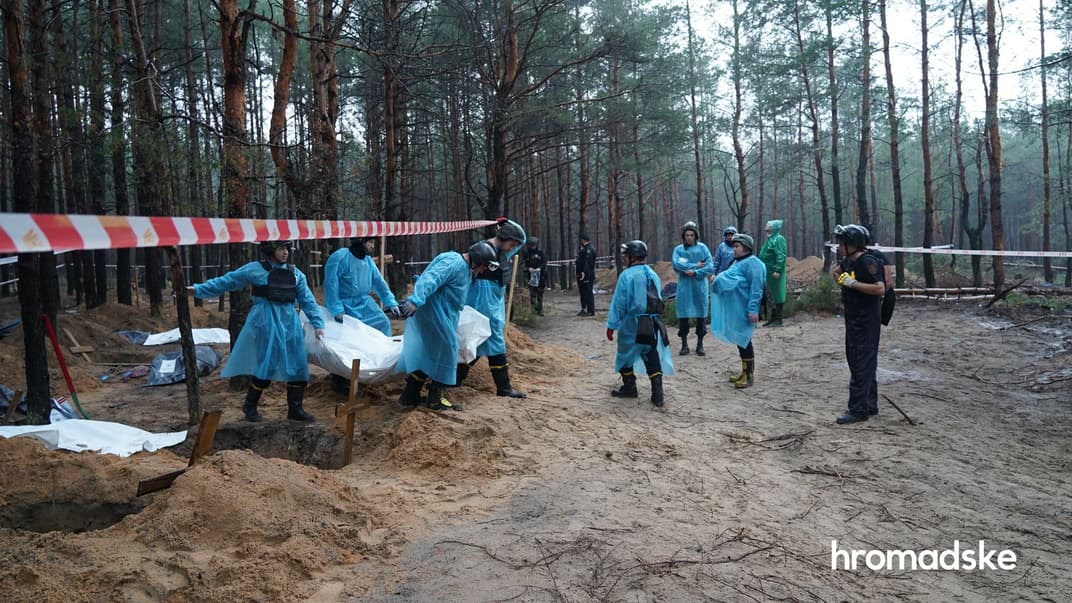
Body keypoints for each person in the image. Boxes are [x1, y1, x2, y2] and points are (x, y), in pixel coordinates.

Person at [192, 240, 325, 422]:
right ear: (270, 249)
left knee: (298, 364)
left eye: (287, 248)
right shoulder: (255, 269)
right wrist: (197, 290)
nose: (285, 252)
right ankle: (250, 407)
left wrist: (318, 324)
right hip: (265, 321)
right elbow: (228, 281)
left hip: (290, 322)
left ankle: (295, 409)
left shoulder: (296, 274)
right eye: (281, 248)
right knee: (267, 365)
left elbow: (307, 299)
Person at [396, 241, 499, 411]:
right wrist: (416, 300)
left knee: (430, 353)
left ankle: (409, 395)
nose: (483, 271)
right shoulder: (454, 262)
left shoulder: (465, 268)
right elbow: (431, 278)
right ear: (477, 260)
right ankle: (435, 399)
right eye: (483, 266)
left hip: (444, 314)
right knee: (448, 352)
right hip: (435, 313)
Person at [455, 219, 528, 398]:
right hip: (481, 302)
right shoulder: (482, 250)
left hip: (494, 301)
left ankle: (457, 381)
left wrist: (508, 222)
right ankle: (503, 388)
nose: (513, 248)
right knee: (484, 343)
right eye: (511, 244)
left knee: (478, 344)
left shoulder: (504, 251)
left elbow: (523, 238)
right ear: (504, 239)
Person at [606, 240, 674, 407]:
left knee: (624, 354)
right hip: (651, 322)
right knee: (651, 353)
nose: (624, 257)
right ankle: (657, 393)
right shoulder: (652, 274)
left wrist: (612, 325)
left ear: (633, 256)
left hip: (632, 322)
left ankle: (630, 387)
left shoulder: (627, 276)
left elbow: (619, 303)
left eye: (626, 254)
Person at [830, 224, 886, 425]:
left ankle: (858, 410)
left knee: (861, 362)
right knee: (858, 360)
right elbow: (836, 272)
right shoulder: (849, 261)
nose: (838, 247)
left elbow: (880, 289)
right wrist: (842, 279)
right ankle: (869, 404)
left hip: (866, 320)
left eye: (841, 243)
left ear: (852, 244)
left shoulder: (868, 261)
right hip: (854, 319)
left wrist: (853, 284)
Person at [710, 233, 766, 389]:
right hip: (737, 307)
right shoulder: (738, 262)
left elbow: (756, 289)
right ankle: (744, 372)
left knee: (744, 340)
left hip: (745, 308)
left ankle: (749, 376)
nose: (733, 249)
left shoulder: (753, 263)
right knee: (741, 341)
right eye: (733, 246)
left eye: (737, 246)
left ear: (746, 247)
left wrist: (753, 310)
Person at [323, 237, 401, 336]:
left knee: (383, 323)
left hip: (365, 303)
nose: (373, 246)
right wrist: (337, 308)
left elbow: (379, 282)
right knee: (351, 335)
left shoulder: (368, 261)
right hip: (344, 305)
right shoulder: (340, 257)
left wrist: (390, 302)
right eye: (370, 242)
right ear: (360, 241)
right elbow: (331, 285)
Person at [672, 221, 713, 356]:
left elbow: (709, 266)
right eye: (687, 235)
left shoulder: (703, 249)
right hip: (684, 286)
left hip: (699, 286)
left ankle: (700, 345)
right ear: (683, 236)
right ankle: (684, 345)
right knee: (683, 315)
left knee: (701, 314)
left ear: (696, 236)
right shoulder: (679, 250)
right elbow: (677, 264)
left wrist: (695, 272)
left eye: (692, 235)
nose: (689, 237)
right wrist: (695, 265)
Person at [759, 219, 788, 327]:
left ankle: (778, 319)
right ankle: (772, 318)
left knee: (778, 294)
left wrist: (777, 270)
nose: (766, 226)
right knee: (771, 295)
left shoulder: (779, 239)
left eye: (768, 224)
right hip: (769, 272)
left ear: (774, 227)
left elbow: (781, 255)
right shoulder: (770, 239)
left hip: (775, 272)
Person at [523, 237, 547, 316]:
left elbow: (544, 262)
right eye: (531, 245)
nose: (532, 246)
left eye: (533, 245)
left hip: (540, 276)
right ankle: (534, 310)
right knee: (532, 294)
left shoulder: (540, 252)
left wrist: (539, 268)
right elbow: (523, 264)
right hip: (531, 277)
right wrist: (528, 268)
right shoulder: (526, 253)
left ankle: (540, 310)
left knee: (540, 293)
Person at [575, 233, 596, 316]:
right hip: (582, 274)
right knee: (583, 292)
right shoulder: (584, 249)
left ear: (583, 240)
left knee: (588, 292)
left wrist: (584, 272)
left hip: (587, 274)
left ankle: (590, 310)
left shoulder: (589, 250)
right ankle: (584, 308)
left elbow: (587, 263)